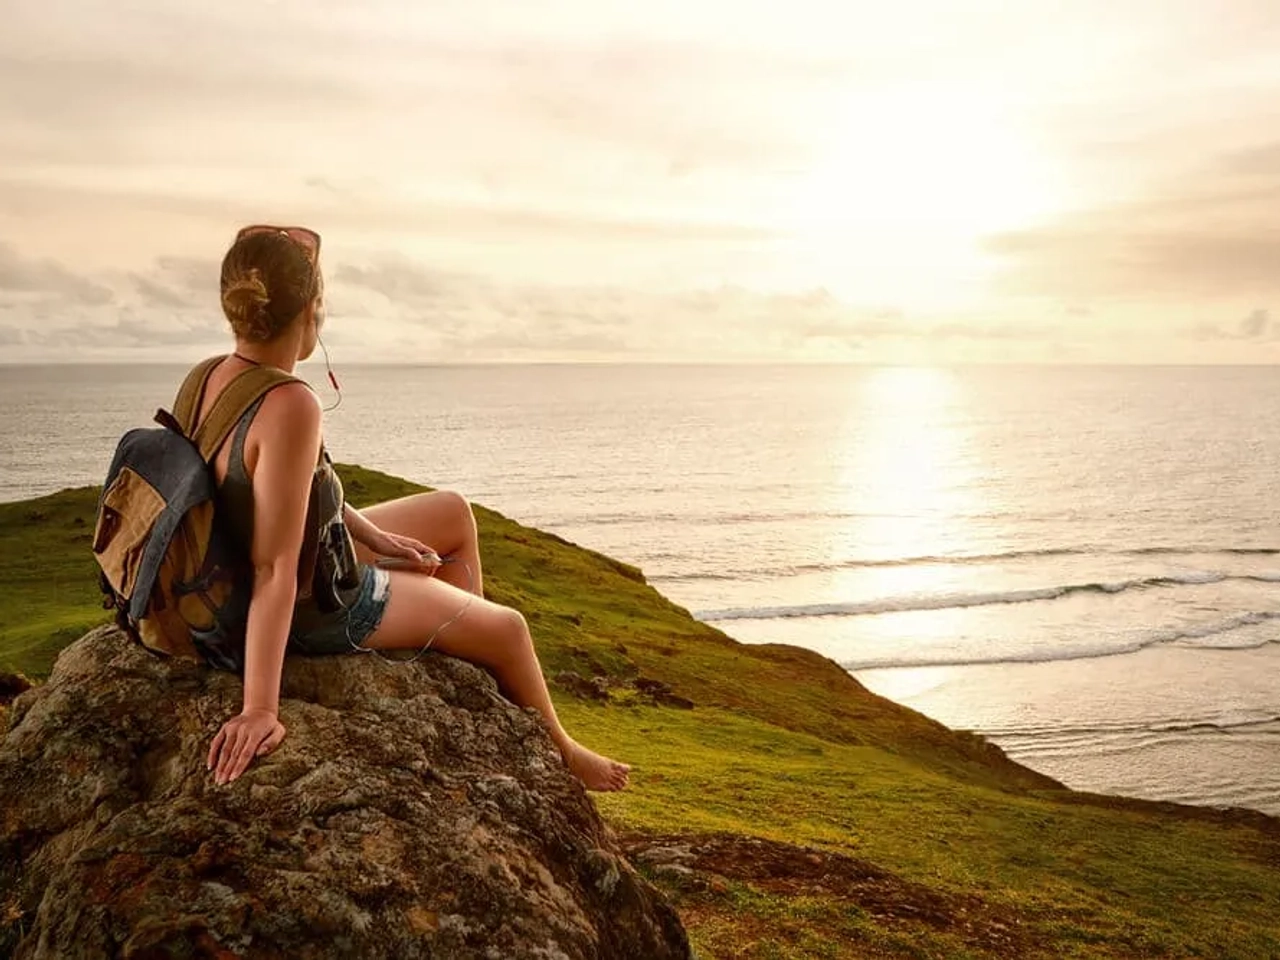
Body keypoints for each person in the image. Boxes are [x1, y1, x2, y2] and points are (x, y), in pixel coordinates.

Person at [198, 225, 631, 793]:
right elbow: (274, 567)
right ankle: (562, 751)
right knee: (510, 629)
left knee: (452, 512)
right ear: (310, 312)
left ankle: (465, 660)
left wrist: (374, 536)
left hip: (252, 571)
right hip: (316, 603)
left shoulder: (213, 376)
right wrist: (260, 707)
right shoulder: (291, 404)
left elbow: (287, 496)